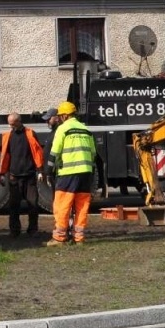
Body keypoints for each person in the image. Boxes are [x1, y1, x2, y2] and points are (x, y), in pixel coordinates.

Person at [44, 101, 97, 246]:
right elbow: (93, 153)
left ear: (65, 116)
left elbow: (54, 152)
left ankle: (59, 238)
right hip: (85, 174)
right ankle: (79, 237)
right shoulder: (85, 129)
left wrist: (48, 171)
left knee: (62, 205)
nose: (60, 118)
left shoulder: (63, 129)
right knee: (82, 206)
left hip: (68, 173)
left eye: (61, 115)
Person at [0, 112, 45, 237]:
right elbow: (4, 156)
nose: (10, 126)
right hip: (14, 176)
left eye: (12, 124)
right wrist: (1, 173)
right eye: (9, 124)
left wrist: (40, 170)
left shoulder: (30, 134)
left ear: (19, 122)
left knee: (33, 204)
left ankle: (33, 230)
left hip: (29, 176)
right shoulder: (7, 136)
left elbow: (37, 153)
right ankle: (14, 231)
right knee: (14, 206)